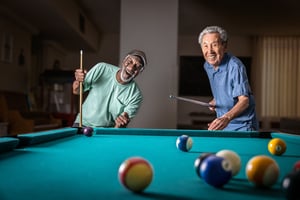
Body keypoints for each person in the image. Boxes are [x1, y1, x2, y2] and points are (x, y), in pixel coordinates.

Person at [198, 26, 259, 131]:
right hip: (223, 126)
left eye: (214, 45)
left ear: (224, 46)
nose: (210, 51)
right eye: (205, 46)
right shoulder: (207, 66)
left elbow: (244, 101)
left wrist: (226, 117)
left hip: (242, 126)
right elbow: (225, 90)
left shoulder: (235, 66)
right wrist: (216, 100)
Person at [72, 49, 147, 128]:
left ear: (139, 72)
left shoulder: (136, 96)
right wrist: (78, 81)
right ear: (124, 60)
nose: (131, 68)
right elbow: (77, 91)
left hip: (106, 132)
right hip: (82, 124)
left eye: (138, 66)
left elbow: (119, 125)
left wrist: (120, 125)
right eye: (130, 61)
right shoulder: (102, 68)